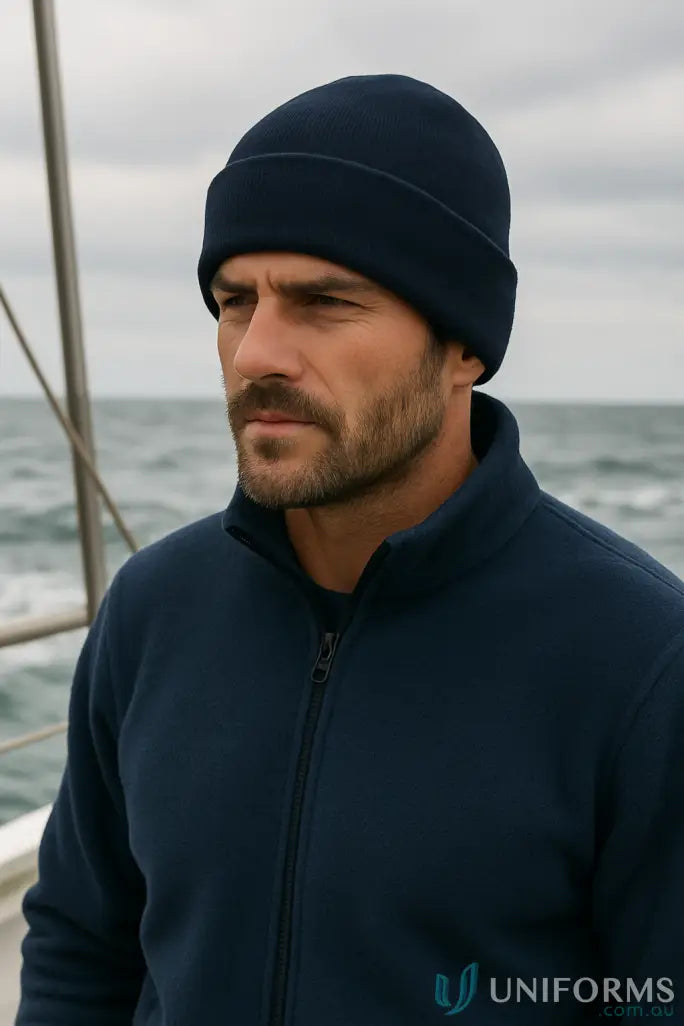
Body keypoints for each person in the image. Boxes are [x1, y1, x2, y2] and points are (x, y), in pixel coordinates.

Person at [15, 73, 684, 1025]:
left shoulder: (642, 659)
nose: (256, 353)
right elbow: (82, 951)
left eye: (324, 301)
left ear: (463, 345)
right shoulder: (153, 609)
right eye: (234, 300)